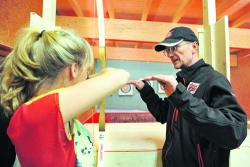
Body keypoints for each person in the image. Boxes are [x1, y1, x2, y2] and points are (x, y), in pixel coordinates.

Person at [0, 27, 130, 167]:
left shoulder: (43, 108)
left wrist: (83, 77)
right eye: (87, 70)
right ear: (74, 70)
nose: (88, 75)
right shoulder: (41, 111)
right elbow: (120, 75)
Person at [127, 26, 247, 167]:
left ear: (194, 46)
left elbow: (236, 132)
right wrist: (145, 90)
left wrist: (180, 96)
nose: (170, 54)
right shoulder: (180, 82)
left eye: (174, 47)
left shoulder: (213, 80)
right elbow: (163, 114)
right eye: (167, 50)